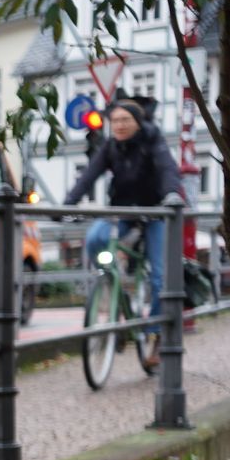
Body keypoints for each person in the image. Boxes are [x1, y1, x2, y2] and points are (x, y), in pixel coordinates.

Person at [63, 99, 187, 328]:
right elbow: (88, 176)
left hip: (154, 213)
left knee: (160, 276)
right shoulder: (110, 146)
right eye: (115, 121)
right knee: (94, 238)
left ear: (138, 122)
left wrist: (171, 194)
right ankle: (113, 285)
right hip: (122, 211)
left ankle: (153, 331)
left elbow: (168, 169)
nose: (119, 125)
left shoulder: (152, 140)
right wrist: (68, 204)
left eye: (125, 120)